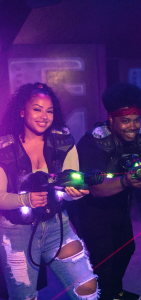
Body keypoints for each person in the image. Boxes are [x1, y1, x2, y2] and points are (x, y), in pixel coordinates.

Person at [0, 82, 99, 300]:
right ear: (22, 111)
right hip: (16, 232)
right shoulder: (4, 148)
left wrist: (74, 192)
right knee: (24, 297)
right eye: (37, 109)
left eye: (50, 111)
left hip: (57, 225)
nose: (44, 116)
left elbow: (65, 187)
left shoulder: (63, 142)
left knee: (87, 288)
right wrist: (26, 199)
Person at [76, 83, 141, 300]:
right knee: (103, 257)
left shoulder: (140, 140)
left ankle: (113, 292)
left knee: (126, 250)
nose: (133, 126)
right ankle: (105, 295)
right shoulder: (93, 142)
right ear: (111, 120)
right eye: (126, 121)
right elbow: (96, 190)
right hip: (90, 207)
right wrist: (127, 182)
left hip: (120, 204)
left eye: (136, 119)